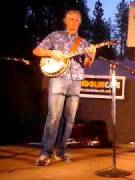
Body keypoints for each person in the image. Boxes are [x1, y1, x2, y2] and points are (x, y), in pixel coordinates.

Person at [33, 10, 96, 166]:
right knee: (53, 116)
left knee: (69, 119)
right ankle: (45, 152)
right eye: (71, 19)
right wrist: (51, 53)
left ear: (80, 23)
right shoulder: (55, 36)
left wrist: (92, 55)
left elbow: (87, 65)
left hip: (76, 81)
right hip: (58, 79)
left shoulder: (84, 43)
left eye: (76, 20)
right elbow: (37, 51)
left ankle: (62, 150)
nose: (74, 22)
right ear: (65, 21)